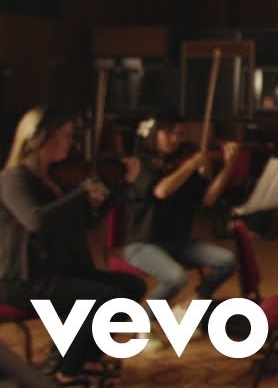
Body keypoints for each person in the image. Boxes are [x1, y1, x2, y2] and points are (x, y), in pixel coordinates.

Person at [0, 106, 146, 386]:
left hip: (57, 271)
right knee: (105, 298)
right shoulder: (14, 179)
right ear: (41, 137)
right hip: (24, 279)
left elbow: (91, 220)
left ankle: (84, 358)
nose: (72, 142)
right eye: (66, 135)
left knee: (132, 286)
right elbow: (36, 221)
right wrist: (80, 193)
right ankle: (63, 371)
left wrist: (124, 185)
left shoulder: (52, 178)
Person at [121, 111, 239, 329]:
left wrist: (228, 167)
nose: (175, 139)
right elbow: (161, 191)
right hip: (143, 243)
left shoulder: (182, 162)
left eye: (180, 134)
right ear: (154, 134)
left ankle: (191, 306)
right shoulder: (141, 163)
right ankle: (142, 322)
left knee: (227, 261)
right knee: (176, 278)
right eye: (169, 133)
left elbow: (208, 199)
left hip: (178, 242)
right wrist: (191, 165)